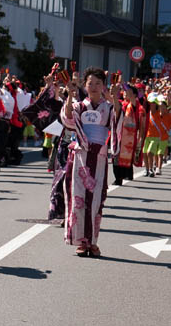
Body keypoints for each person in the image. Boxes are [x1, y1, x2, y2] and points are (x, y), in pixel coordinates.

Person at [61, 67, 119, 257]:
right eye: (90, 83)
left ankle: (93, 241)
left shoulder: (108, 106)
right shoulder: (79, 105)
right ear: (84, 86)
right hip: (80, 156)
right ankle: (81, 241)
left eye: (98, 83)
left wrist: (115, 99)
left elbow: (118, 120)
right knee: (78, 199)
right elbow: (68, 119)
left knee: (96, 200)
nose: (94, 87)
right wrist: (70, 95)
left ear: (104, 86)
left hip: (99, 156)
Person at [111, 84, 144, 186]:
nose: (125, 93)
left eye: (128, 92)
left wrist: (125, 86)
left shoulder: (135, 105)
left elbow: (133, 99)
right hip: (118, 134)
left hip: (129, 136)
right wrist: (114, 93)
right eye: (124, 92)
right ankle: (118, 177)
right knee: (115, 156)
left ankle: (121, 177)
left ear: (134, 95)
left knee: (124, 157)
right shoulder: (122, 104)